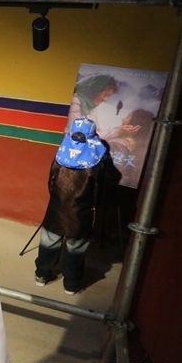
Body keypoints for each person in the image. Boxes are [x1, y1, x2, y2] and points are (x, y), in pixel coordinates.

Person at [34, 117, 118, 295]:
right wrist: (94, 206)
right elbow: (101, 188)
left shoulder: (62, 151)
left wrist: (57, 199)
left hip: (56, 208)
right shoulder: (98, 157)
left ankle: (41, 275)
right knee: (76, 248)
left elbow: (51, 182)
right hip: (81, 212)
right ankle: (71, 285)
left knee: (49, 242)